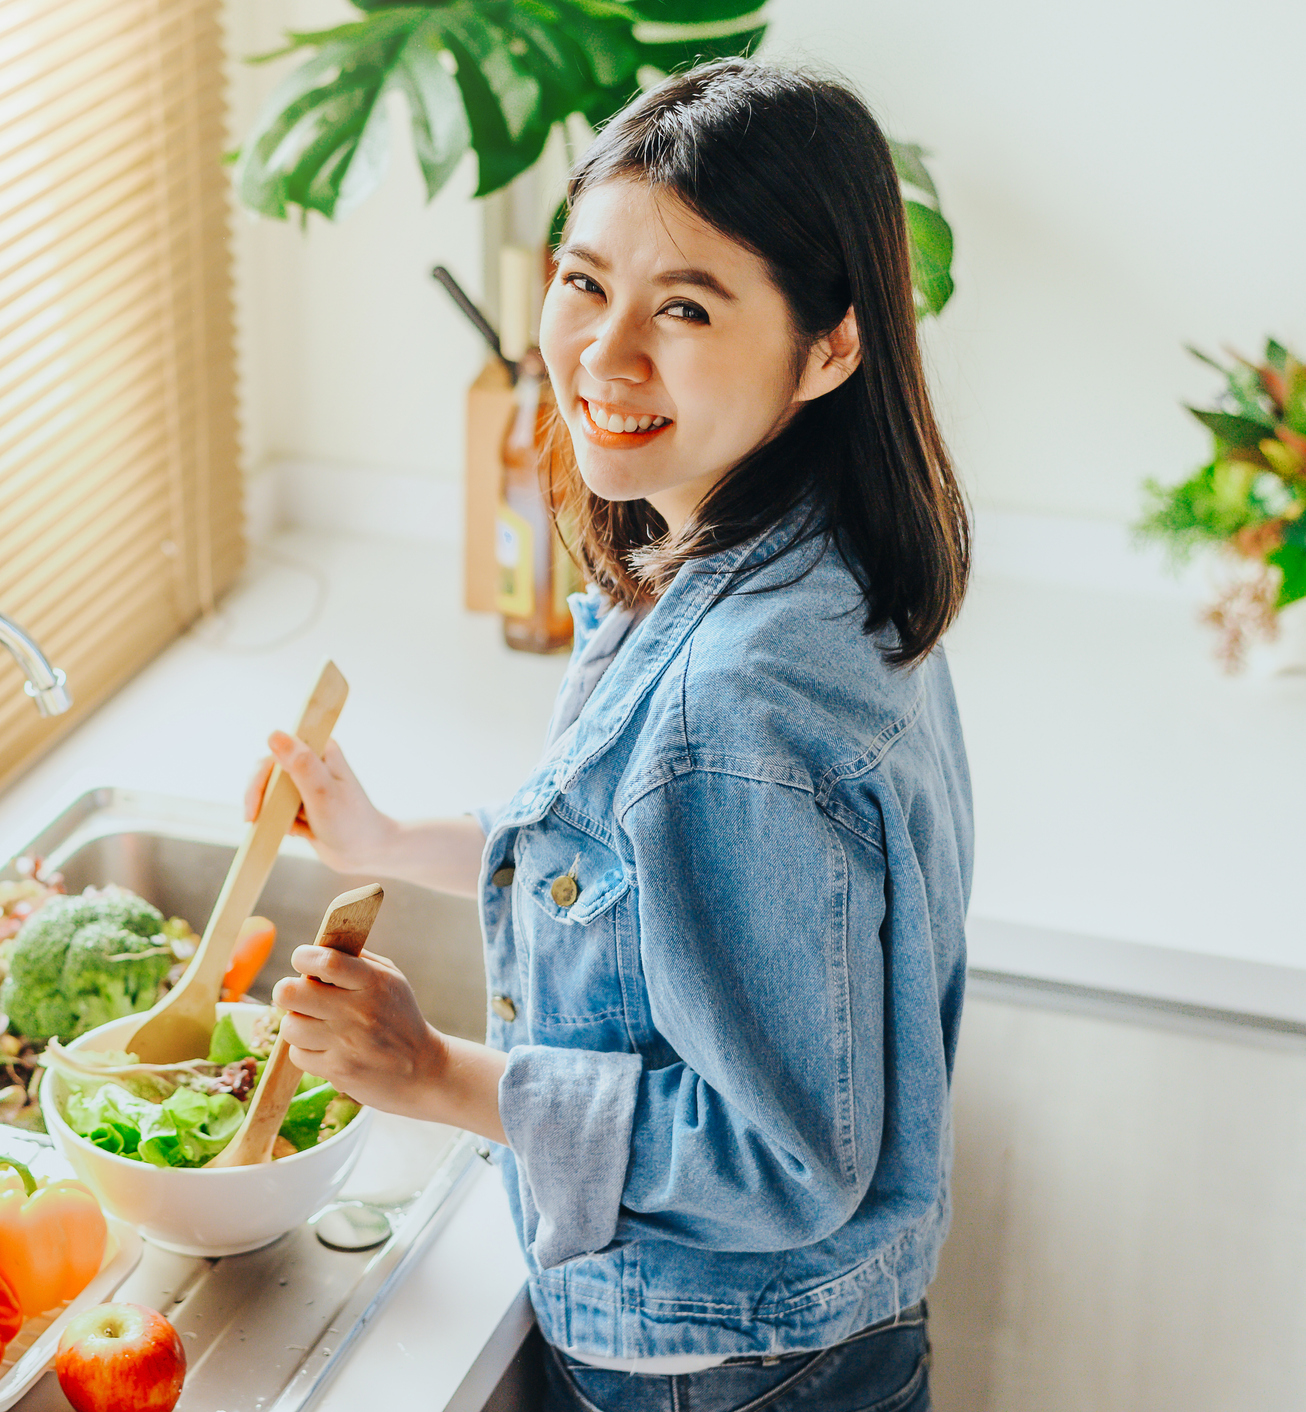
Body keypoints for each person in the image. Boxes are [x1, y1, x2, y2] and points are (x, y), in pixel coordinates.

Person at [250, 59, 972, 1412]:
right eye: (582, 281)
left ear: (831, 344)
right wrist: (383, 839)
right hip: (796, 1338)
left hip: (720, 1367)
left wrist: (434, 1074)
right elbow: (633, 886)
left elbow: (778, 1161)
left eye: (685, 308)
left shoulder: (737, 702)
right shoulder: (806, 554)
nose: (601, 353)